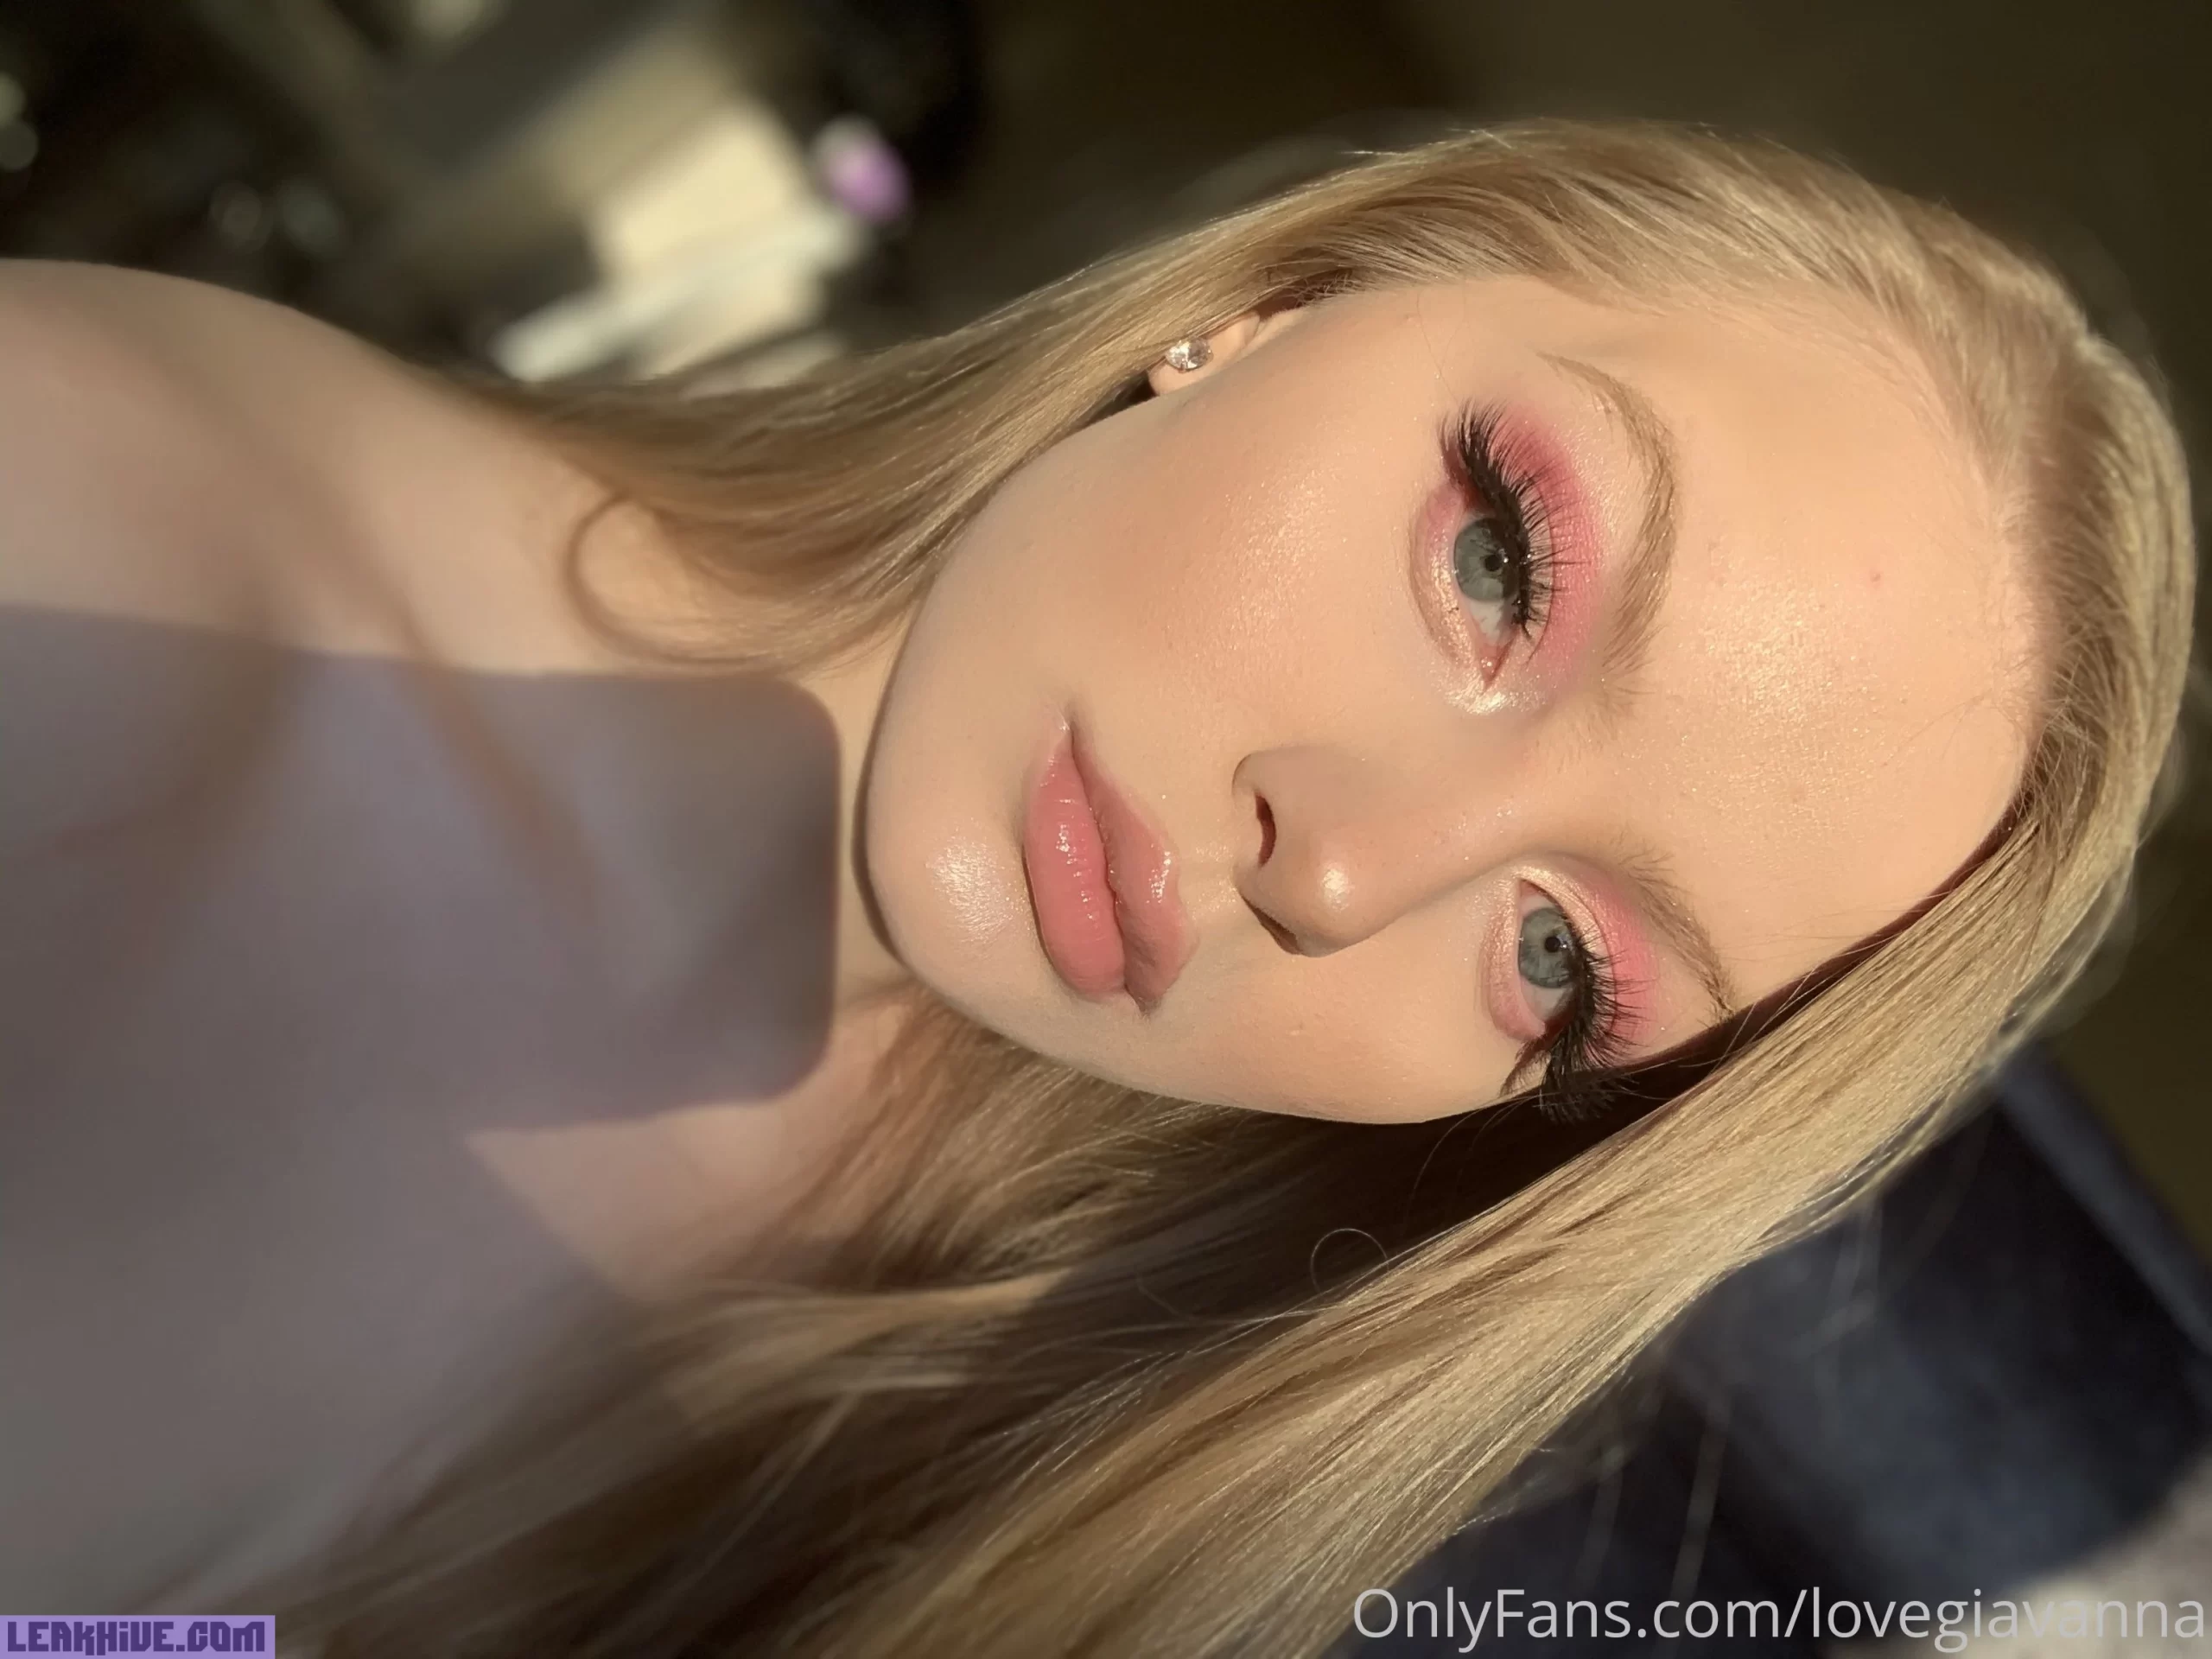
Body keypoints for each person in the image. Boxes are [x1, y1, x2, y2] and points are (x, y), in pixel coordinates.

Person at [0, 118, 2191, 1654]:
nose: (1346, 865)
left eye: (1560, 959)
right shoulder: (95, 585)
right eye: (1497, 562)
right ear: (1270, 306)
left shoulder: (971, 1418)